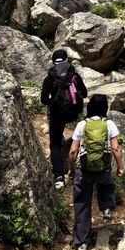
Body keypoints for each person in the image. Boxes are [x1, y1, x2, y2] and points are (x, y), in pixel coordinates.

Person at [68, 94, 124, 250]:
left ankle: (82, 243)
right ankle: (106, 208)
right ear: (105, 108)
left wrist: (71, 169)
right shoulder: (109, 124)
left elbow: (73, 151)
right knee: (106, 184)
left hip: (83, 170)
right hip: (103, 168)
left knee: (82, 204)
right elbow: (115, 149)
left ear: (90, 107)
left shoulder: (81, 125)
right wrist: (120, 166)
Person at [40, 49, 88, 189]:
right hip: (74, 112)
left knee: (55, 145)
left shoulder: (50, 78)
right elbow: (84, 94)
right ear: (67, 60)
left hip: (57, 115)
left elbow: (44, 100)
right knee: (79, 134)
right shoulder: (75, 75)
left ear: (53, 62)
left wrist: (53, 102)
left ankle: (59, 177)